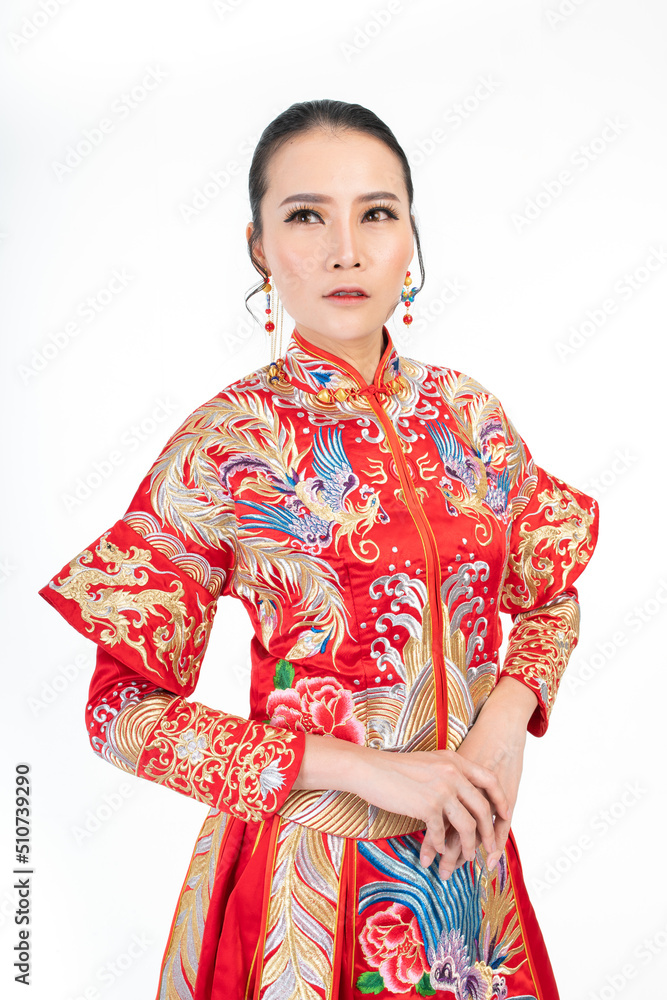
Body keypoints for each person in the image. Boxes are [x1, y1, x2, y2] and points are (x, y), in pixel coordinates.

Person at [39, 99, 600, 999]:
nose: (347, 249)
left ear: (410, 237)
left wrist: (501, 734)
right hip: (301, 886)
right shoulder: (228, 442)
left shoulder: (471, 416)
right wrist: (366, 769)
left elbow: (546, 595)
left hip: (467, 873)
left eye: (376, 213)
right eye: (305, 215)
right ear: (258, 247)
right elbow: (120, 713)